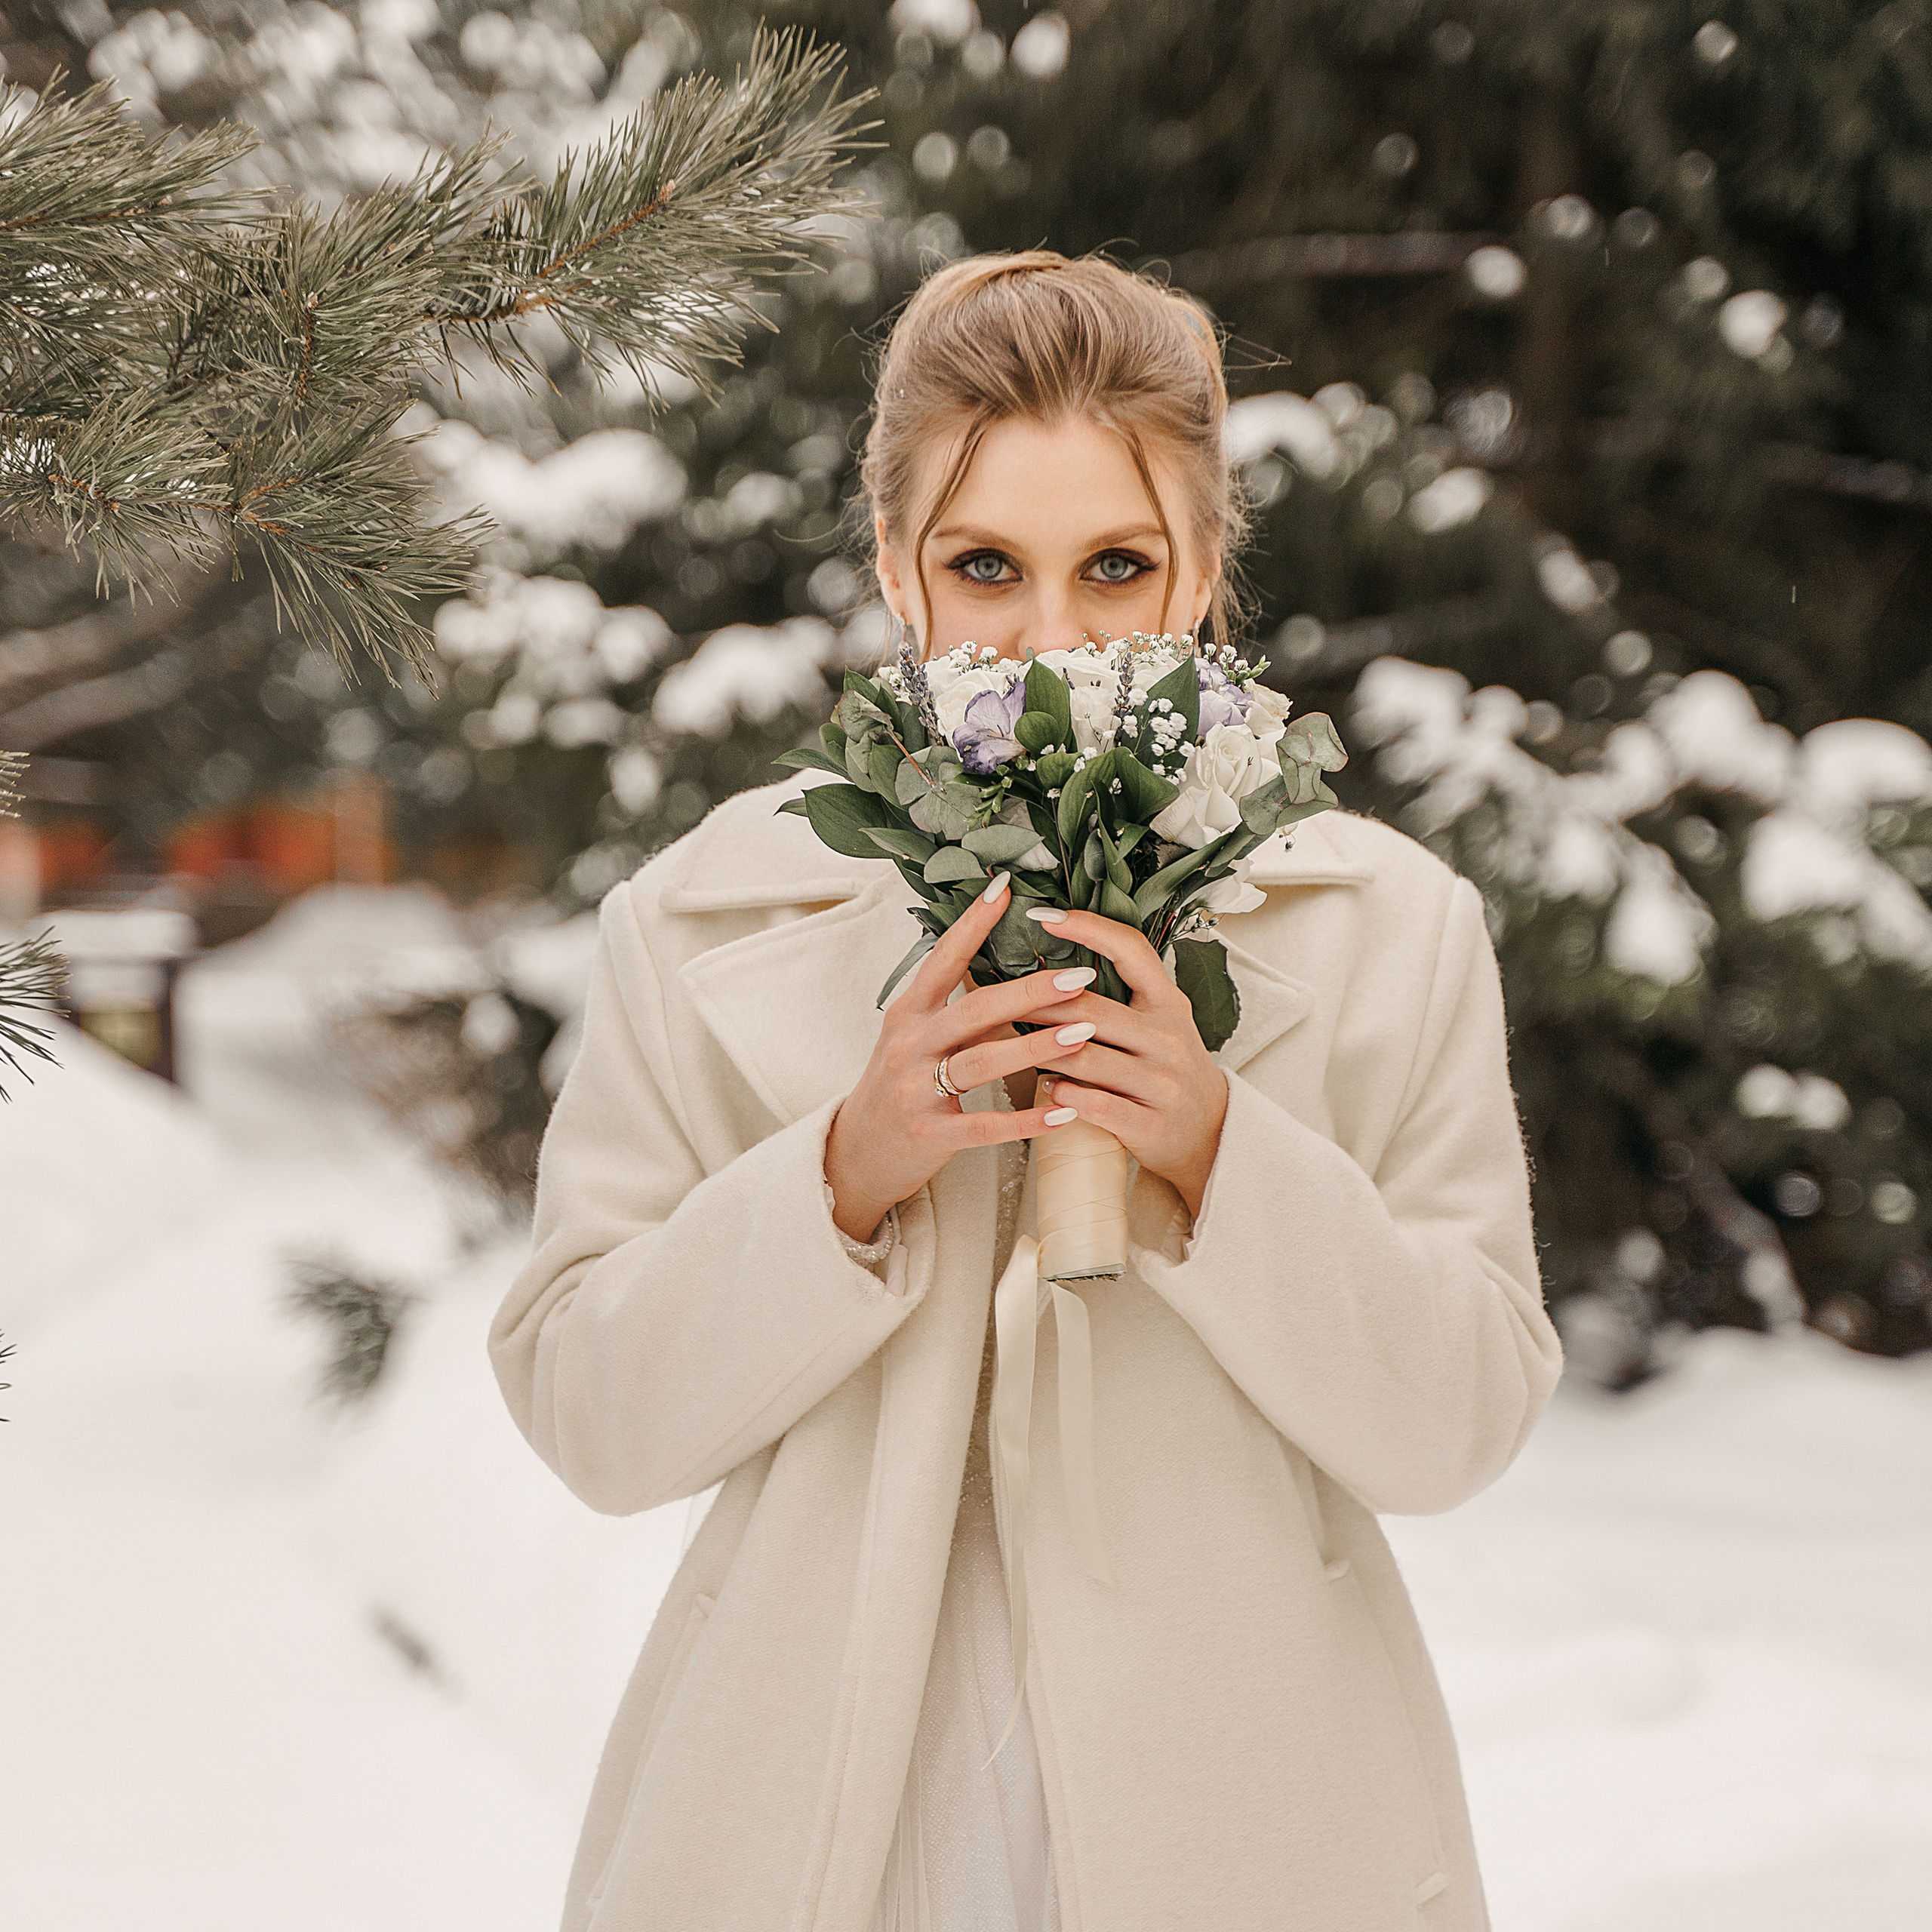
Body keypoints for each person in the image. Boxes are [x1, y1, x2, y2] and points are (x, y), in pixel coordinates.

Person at [488, 250, 1564, 1932]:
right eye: (983, 564)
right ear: (892, 567)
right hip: (807, 1815)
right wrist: (839, 1175)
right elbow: (590, 1413)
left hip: (1248, 1817)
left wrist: (1221, 1154)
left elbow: (1461, 1418)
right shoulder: (703, 919)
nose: (1049, 637)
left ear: (1202, 569)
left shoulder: (1388, 931)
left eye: (1114, 566)